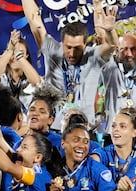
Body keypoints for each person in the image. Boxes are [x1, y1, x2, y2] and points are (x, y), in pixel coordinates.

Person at [21, 0, 119, 128]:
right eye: (68, 47)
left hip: (85, 129)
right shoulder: (53, 51)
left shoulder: (93, 56)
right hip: (54, 128)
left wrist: (110, 30)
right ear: (62, 42)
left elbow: (112, 46)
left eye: (77, 48)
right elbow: (34, 22)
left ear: (85, 44)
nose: (72, 53)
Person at [90, 107, 136, 191]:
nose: (116, 129)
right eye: (114, 126)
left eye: (123, 126)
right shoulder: (103, 153)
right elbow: (92, 165)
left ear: (134, 132)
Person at [0, 29, 41, 114]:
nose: (15, 57)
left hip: (26, 124)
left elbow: (37, 83)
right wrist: (10, 50)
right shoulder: (2, 78)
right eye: (13, 54)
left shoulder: (30, 79)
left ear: (26, 56)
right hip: (3, 125)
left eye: (21, 53)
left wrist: (18, 55)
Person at [100, 34, 136, 132]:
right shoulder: (111, 70)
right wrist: (109, 31)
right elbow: (104, 54)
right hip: (113, 134)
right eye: (124, 49)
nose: (129, 54)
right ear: (117, 50)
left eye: (133, 49)